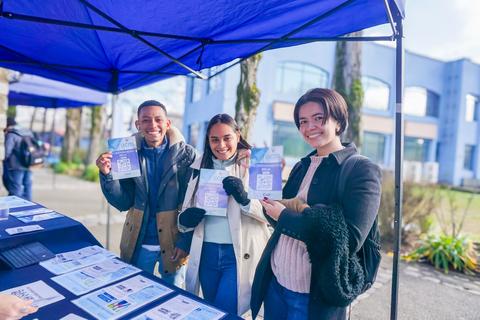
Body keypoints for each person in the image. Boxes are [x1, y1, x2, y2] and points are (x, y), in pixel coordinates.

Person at [251, 88, 382, 320]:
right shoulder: (302, 165)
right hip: (277, 283)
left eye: (318, 118)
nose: (309, 126)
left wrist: (286, 216)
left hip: (314, 294)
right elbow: (275, 217)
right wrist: (263, 184)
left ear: (339, 122)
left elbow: (350, 240)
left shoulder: (361, 170)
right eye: (303, 121)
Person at [178, 114, 270, 316]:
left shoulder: (260, 162)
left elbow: (271, 214)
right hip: (206, 254)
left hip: (239, 254)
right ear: (207, 140)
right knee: (211, 310)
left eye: (227, 137)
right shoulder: (198, 166)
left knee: (227, 313)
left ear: (238, 135)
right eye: (214, 139)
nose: (221, 145)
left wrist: (245, 199)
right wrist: (184, 220)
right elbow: (185, 212)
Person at [96, 100, 196, 288]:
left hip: (174, 244)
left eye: (158, 119)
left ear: (167, 123)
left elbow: (192, 203)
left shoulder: (187, 155)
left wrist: (185, 241)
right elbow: (123, 202)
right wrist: (107, 174)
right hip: (138, 242)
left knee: (173, 302)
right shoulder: (125, 152)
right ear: (138, 124)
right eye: (146, 120)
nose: (152, 125)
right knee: (135, 294)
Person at [2, 117, 34, 200]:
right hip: (29, 164)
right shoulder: (28, 132)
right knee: (27, 187)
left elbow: (7, 152)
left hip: (15, 166)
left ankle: (15, 208)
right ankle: (28, 207)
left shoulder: (11, 134)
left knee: (15, 189)